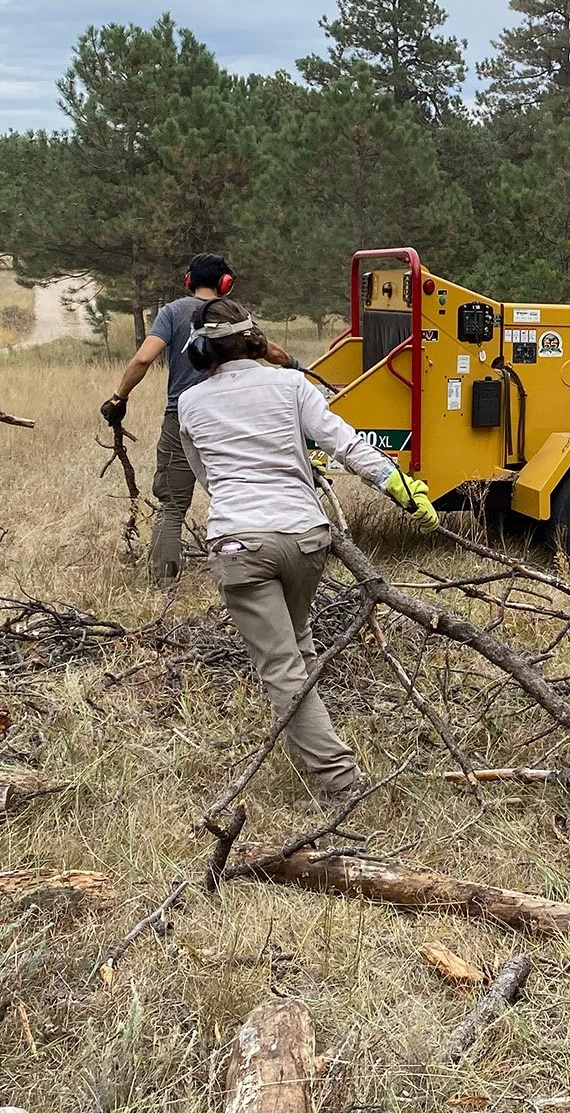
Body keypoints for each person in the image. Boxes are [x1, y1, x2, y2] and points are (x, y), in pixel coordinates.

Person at [175, 297, 439, 803]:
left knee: (281, 666)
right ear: (254, 338)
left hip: (238, 543)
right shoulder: (295, 385)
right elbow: (347, 445)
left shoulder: (190, 404)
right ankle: (321, 752)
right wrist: (399, 486)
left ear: (201, 349)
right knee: (298, 644)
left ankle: (337, 781)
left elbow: (207, 478)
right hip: (305, 538)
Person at [99, 253, 295, 584]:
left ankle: (162, 586)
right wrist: (293, 364)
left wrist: (119, 398)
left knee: (172, 507)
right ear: (225, 285)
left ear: (189, 280)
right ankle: (255, 575)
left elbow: (144, 358)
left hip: (184, 418)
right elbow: (269, 351)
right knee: (248, 497)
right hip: (236, 419)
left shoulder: (172, 312)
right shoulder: (237, 315)